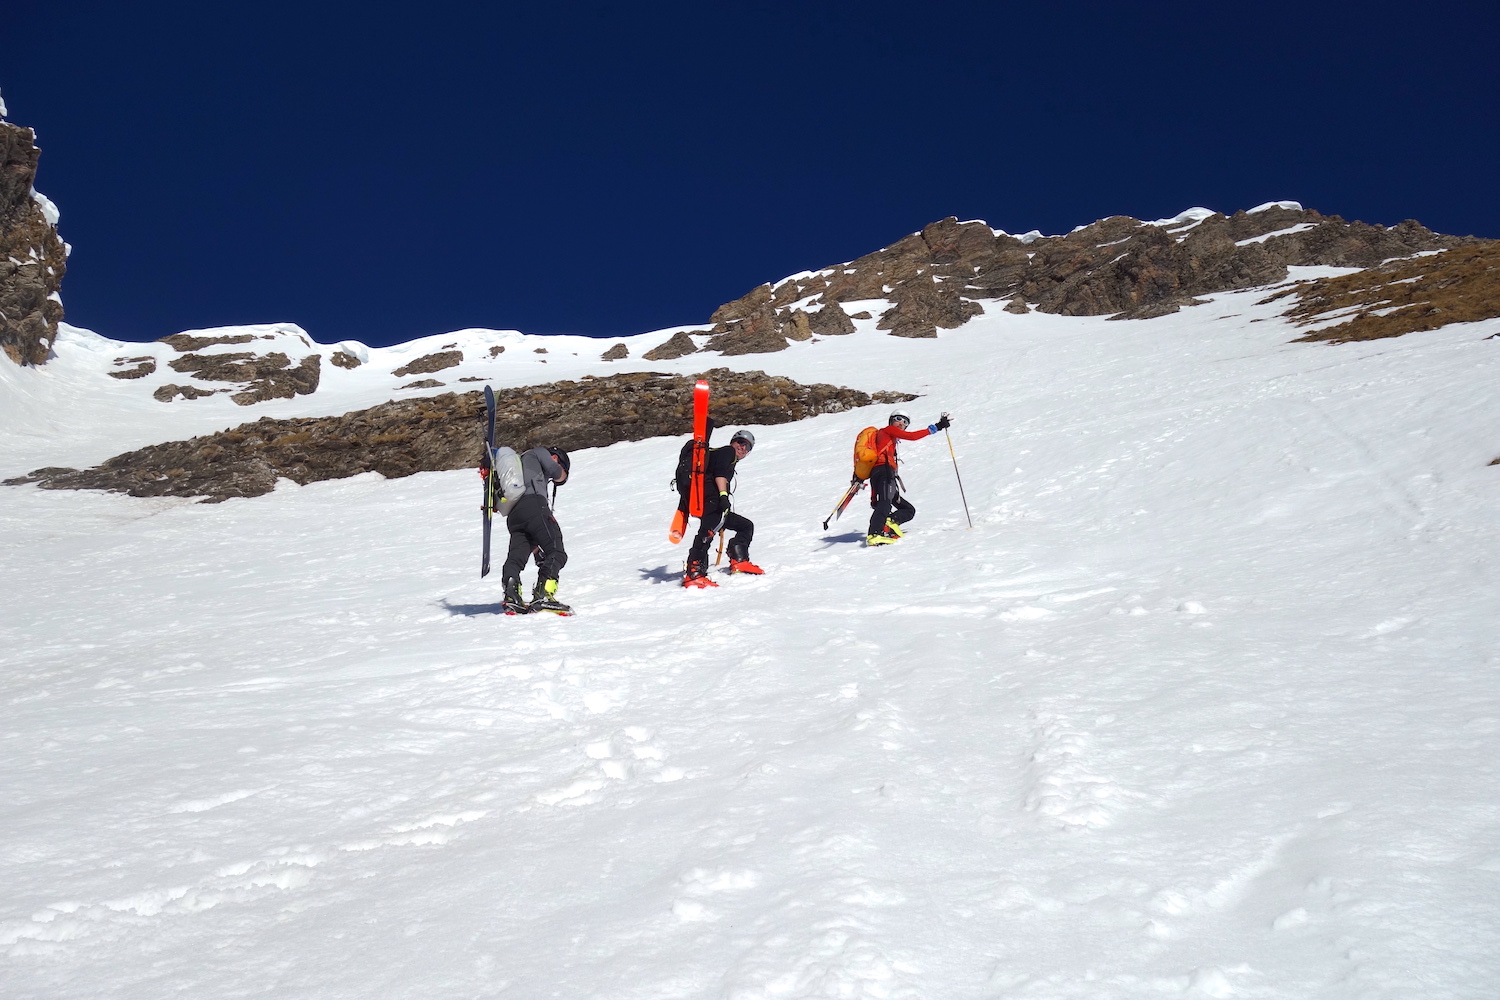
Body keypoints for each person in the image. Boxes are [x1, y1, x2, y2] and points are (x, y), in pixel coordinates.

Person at [683, 428, 762, 587]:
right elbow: (720, 475)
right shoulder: (728, 452)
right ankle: (694, 574)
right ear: (733, 442)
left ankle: (739, 561)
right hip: (712, 501)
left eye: (748, 446)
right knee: (706, 534)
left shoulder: (725, 456)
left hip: (712, 502)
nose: (743, 448)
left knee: (745, 526)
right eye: (741, 442)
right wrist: (723, 496)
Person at [500, 446, 572, 613]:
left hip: (515, 515)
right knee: (557, 551)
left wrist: (536, 549)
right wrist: (563, 475)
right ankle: (544, 595)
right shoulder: (539, 452)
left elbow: (531, 529)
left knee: (516, 558)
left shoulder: (520, 466)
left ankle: (511, 595)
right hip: (535, 505)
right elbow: (557, 473)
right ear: (555, 457)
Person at [866, 410, 951, 546]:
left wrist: (873, 495)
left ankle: (890, 522)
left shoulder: (889, 439)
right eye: (898, 419)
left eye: (905, 422)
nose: (901, 423)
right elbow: (912, 436)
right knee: (885, 502)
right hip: (884, 471)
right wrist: (937, 427)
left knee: (908, 510)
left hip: (884, 473)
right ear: (891, 420)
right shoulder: (888, 430)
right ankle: (874, 534)